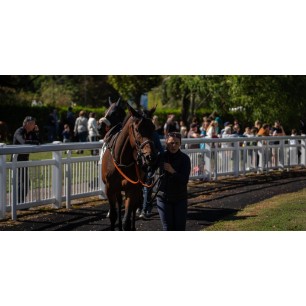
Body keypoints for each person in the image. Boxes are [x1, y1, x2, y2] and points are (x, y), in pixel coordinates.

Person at [156, 132, 191, 231]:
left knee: (179, 228)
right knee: (168, 228)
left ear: (180, 144)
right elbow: (147, 168)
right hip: (163, 198)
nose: (174, 145)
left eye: (176, 143)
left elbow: (184, 181)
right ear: (166, 143)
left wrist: (172, 171)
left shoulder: (185, 159)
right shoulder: (160, 157)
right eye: (171, 143)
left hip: (180, 198)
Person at [12, 116, 40, 203]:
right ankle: (19, 202)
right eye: (33, 123)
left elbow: (39, 141)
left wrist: (36, 132)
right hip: (17, 160)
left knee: (26, 182)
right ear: (28, 123)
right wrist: (34, 142)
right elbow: (23, 142)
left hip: (24, 160)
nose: (35, 125)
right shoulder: (19, 131)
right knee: (23, 182)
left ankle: (21, 202)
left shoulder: (31, 132)